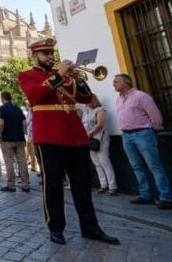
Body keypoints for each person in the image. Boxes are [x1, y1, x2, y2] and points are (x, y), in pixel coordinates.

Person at [18, 38, 119, 245]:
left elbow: (85, 98)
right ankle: (55, 228)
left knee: (82, 186)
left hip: (76, 135)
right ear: (35, 56)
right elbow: (36, 96)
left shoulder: (64, 77)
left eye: (51, 53)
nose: (50, 56)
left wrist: (79, 79)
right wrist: (60, 74)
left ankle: (90, 228)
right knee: (53, 186)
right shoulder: (27, 75)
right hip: (50, 136)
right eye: (45, 53)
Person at [113, 73, 172, 209]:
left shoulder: (141, 96)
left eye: (116, 81)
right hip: (126, 135)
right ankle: (146, 194)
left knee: (154, 166)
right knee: (136, 166)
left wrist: (152, 130)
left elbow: (156, 116)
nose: (113, 84)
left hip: (143, 134)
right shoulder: (118, 99)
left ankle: (166, 197)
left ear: (126, 83)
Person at [81, 94, 116, 195]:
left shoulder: (100, 110)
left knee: (105, 162)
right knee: (97, 164)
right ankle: (103, 185)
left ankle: (113, 186)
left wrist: (90, 133)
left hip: (100, 139)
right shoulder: (85, 110)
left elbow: (100, 124)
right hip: (89, 139)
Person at [0, 92, 30, 192]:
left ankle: (11, 185)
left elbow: (0, 123)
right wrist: (23, 133)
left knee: (9, 162)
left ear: (2, 98)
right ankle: (26, 184)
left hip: (7, 140)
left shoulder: (2, 108)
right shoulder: (18, 108)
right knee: (22, 162)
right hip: (19, 139)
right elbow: (24, 123)